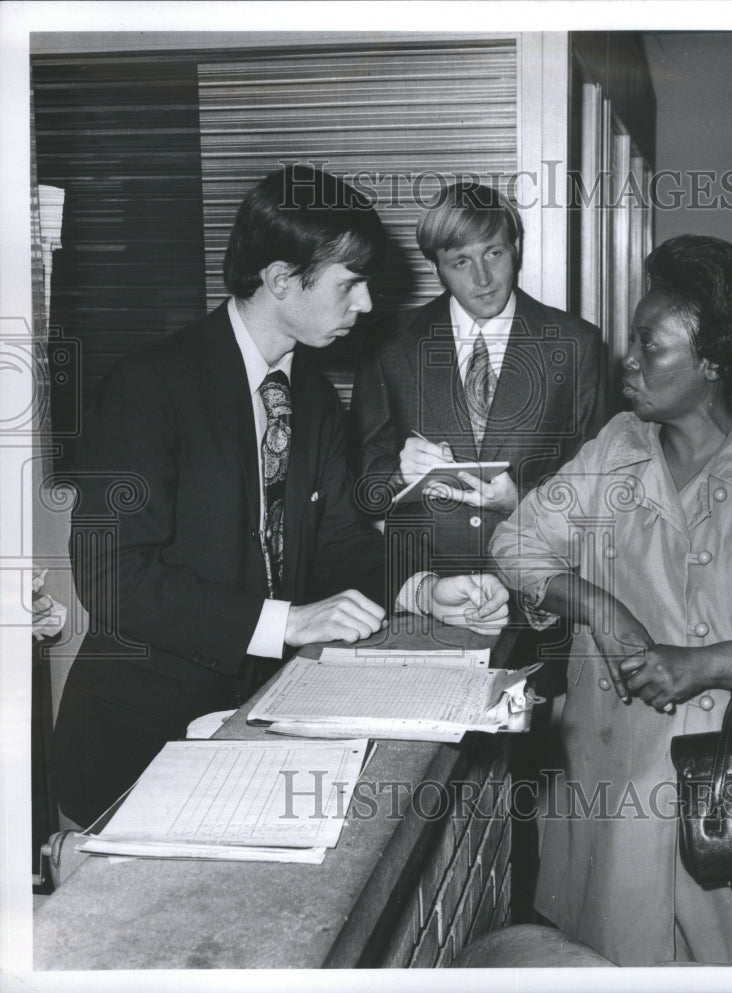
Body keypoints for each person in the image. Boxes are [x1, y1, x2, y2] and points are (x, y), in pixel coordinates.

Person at [52, 166, 508, 828]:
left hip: (260, 728)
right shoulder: (149, 387)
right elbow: (113, 576)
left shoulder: (315, 399)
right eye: (349, 284)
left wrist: (423, 589)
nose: (368, 305)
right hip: (136, 749)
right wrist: (287, 623)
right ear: (280, 280)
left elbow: (341, 545)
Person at [489, 234, 732, 966]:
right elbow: (516, 542)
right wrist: (598, 606)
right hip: (623, 793)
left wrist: (703, 664)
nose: (627, 360)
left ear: (712, 363)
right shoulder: (617, 448)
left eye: (650, 344)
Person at [350, 181, 609, 580]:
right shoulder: (391, 344)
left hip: (536, 588)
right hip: (419, 588)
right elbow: (359, 488)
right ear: (435, 267)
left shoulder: (577, 343)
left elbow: (599, 489)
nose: (484, 278)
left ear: (515, 249)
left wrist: (519, 502)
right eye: (460, 262)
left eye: (494, 253)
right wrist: (398, 474)